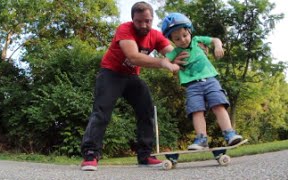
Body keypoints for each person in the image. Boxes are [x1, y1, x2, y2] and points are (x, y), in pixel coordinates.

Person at [80, 2, 181, 171]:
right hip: (111, 73)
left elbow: (175, 54)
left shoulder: (155, 36)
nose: (143, 25)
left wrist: (193, 56)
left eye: (147, 21)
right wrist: (163, 63)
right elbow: (134, 57)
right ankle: (90, 154)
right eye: (139, 21)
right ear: (132, 19)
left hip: (132, 77)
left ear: (152, 19)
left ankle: (145, 155)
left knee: (146, 110)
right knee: (102, 112)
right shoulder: (125, 29)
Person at [161, 12, 243, 150]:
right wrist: (170, 65)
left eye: (185, 35)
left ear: (190, 31)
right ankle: (201, 139)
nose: (183, 40)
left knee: (219, 105)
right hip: (192, 86)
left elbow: (215, 40)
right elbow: (164, 60)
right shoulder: (175, 52)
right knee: (196, 110)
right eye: (177, 39)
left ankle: (229, 134)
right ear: (172, 40)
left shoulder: (197, 40)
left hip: (210, 80)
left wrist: (218, 46)